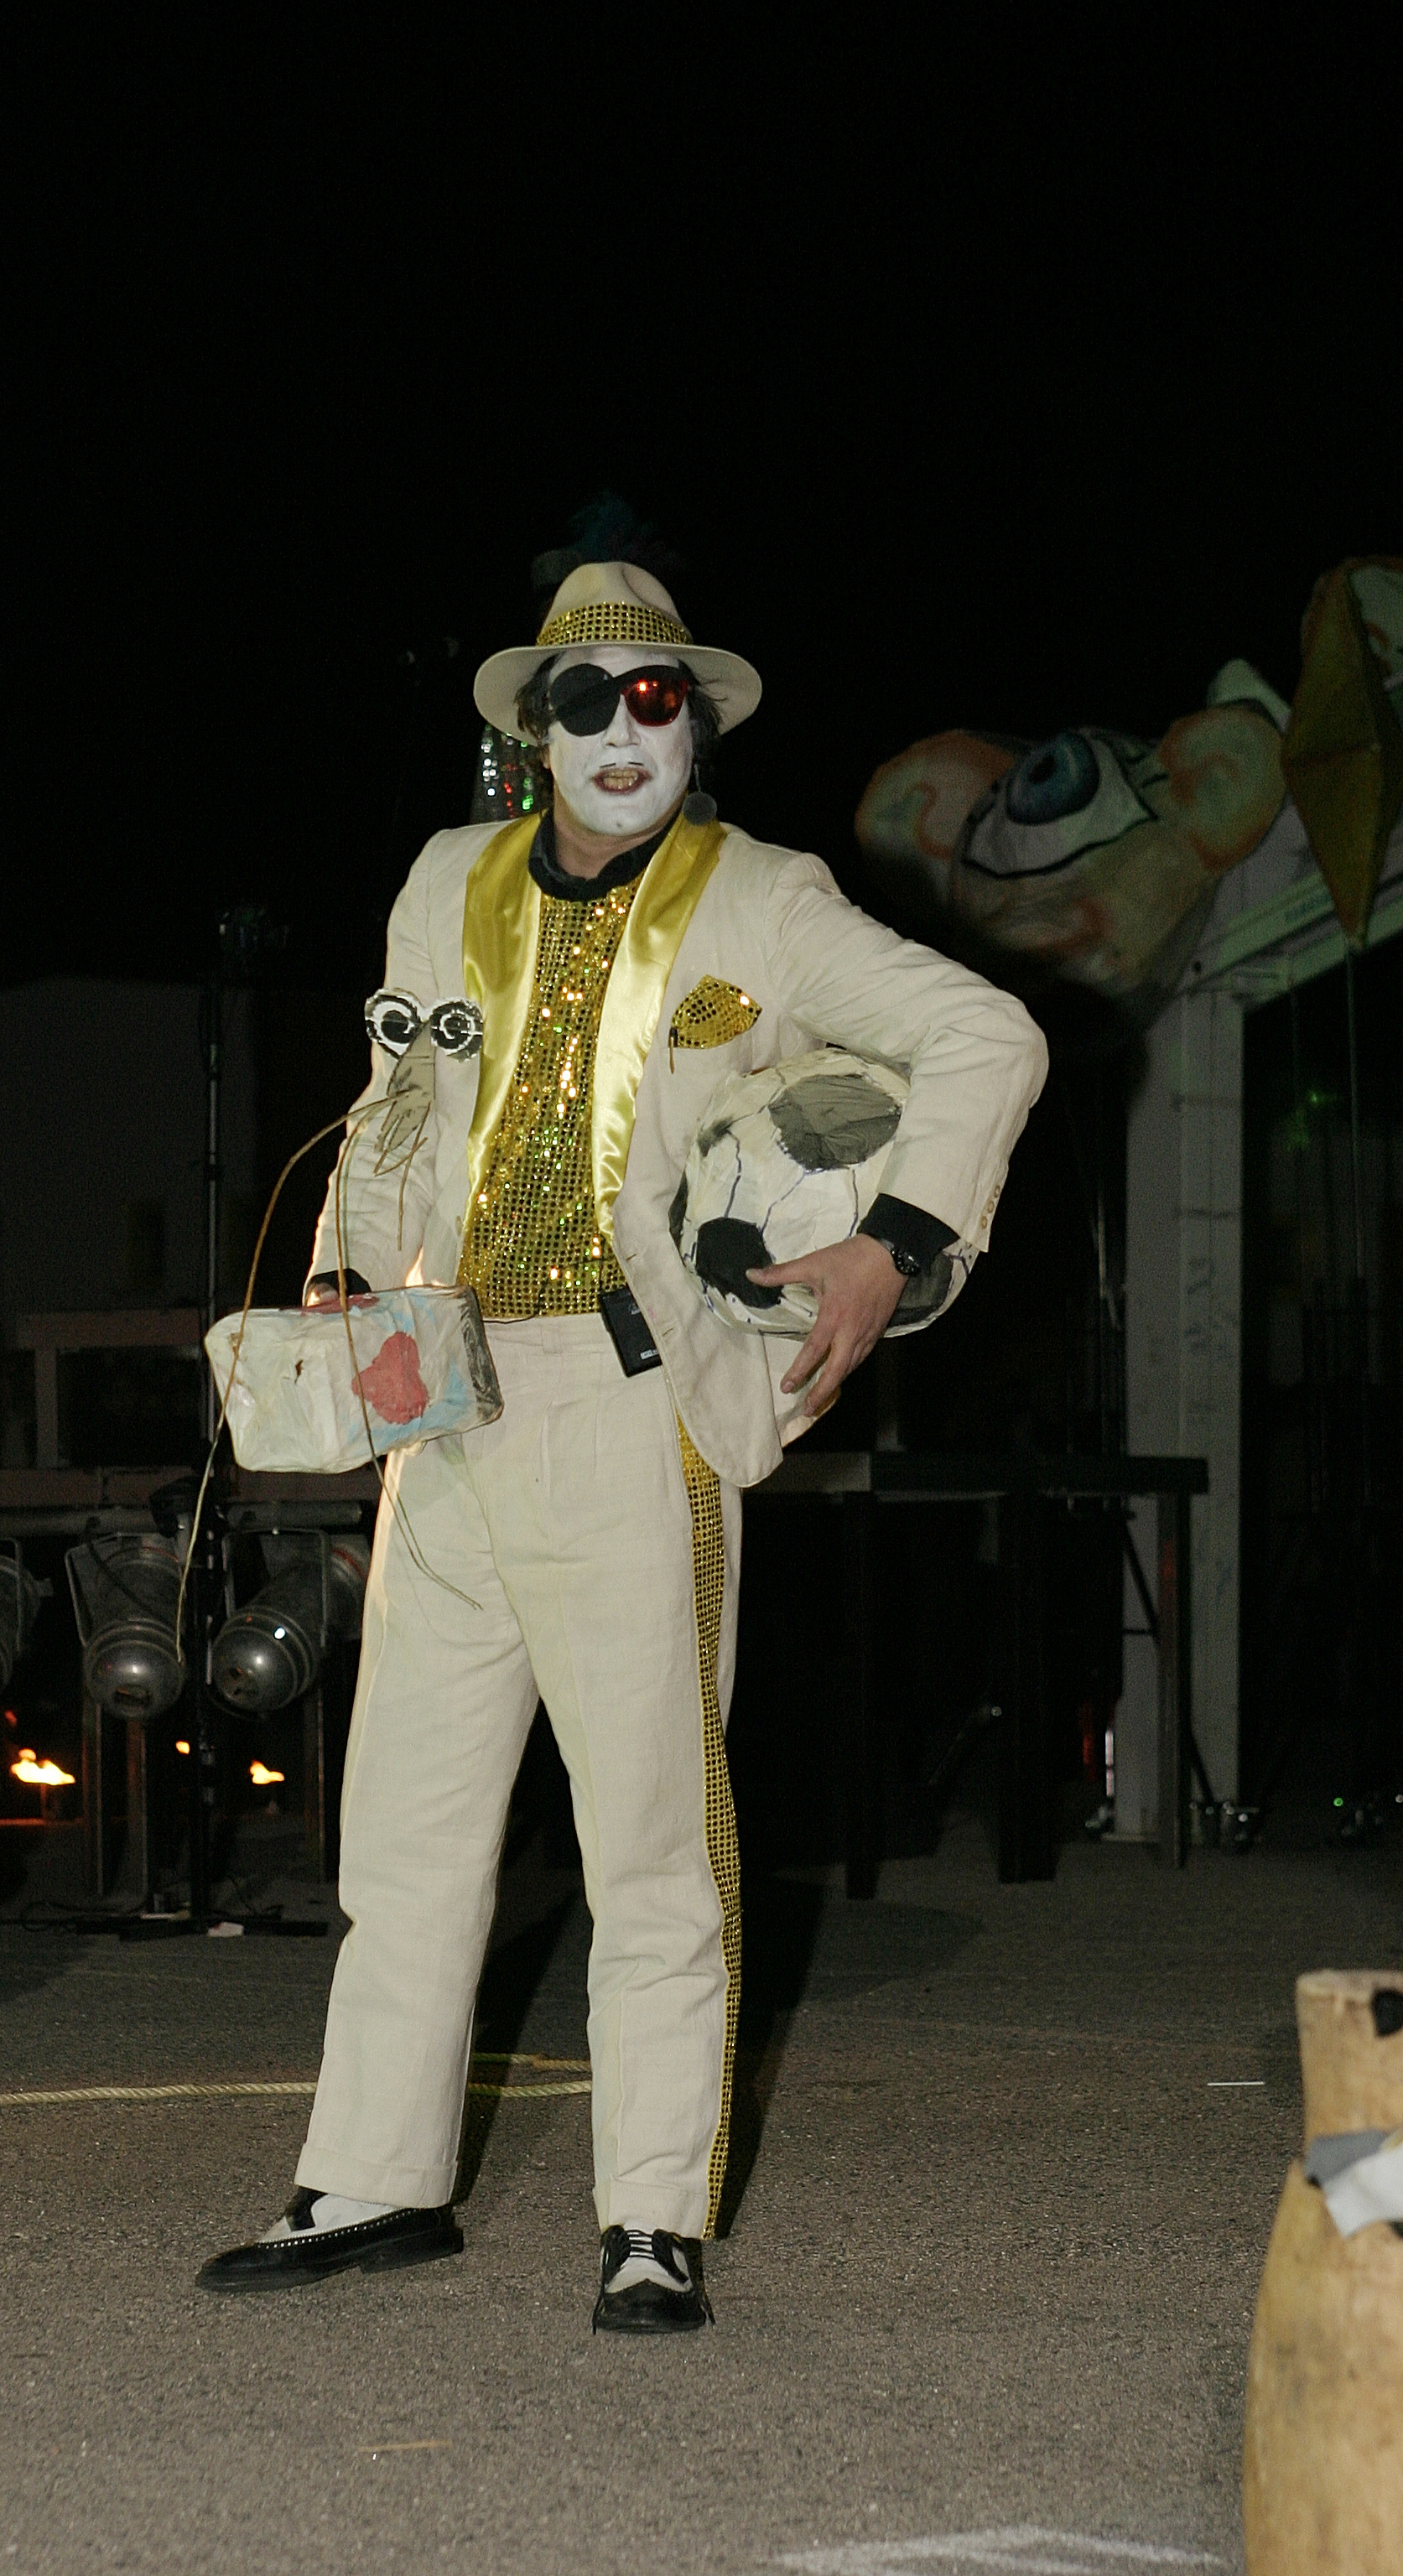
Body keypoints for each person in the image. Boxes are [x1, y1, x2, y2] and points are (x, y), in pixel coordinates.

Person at [198, 555, 1047, 2330]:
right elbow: (398, 1099)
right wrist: (347, 1271)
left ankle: (650, 2217)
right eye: (581, 699)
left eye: (653, 697)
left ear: (697, 723)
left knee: (649, 1837)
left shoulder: (767, 898)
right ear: (532, 730)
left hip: (630, 1402)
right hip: (447, 1403)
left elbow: (988, 1032)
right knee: (408, 1829)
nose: (617, 729)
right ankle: (370, 2182)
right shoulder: (447, 882)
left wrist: (892, 1248)